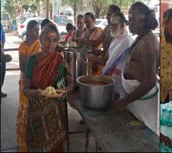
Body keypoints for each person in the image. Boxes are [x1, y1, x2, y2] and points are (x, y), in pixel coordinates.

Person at [23, 24, 74, 152]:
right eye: (47, 39)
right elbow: (26, 89)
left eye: (55, 40)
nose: (51, 44)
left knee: (56, 147)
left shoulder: (59, 59)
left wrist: (66, 90)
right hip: (36, 113)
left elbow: (71, 82)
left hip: (56, 113)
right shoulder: (32, 61)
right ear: (40, 39)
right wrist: (37, 92)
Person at [112, 2, 159, 135]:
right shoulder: (141, 37)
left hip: (144, 101)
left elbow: (150, 80)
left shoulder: (148, 43)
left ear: (142, 20)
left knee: (142, 137)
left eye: (132, 19)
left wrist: (125, 101)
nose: (129, 22)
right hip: (136, 98)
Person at [16, 20, 41, 152]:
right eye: (35, 30)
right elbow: (22, 66)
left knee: (35, 109)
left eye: (38, 30)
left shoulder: (40, 44)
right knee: (25, 108)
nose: (38, 32)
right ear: (29, 30)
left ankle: (35, 138)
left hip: (38, 81)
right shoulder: (23, 46)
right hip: (26, 81)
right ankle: (23, 141)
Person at [86, 12, 133, 81]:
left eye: (114, 25)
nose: (111, 28)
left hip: (120, 82)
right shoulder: (115, 39)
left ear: (122, 26)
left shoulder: (127, 41)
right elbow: (105, 60)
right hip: (111, 79)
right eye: (110, 25)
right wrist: (93, 57)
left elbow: (109, 64)